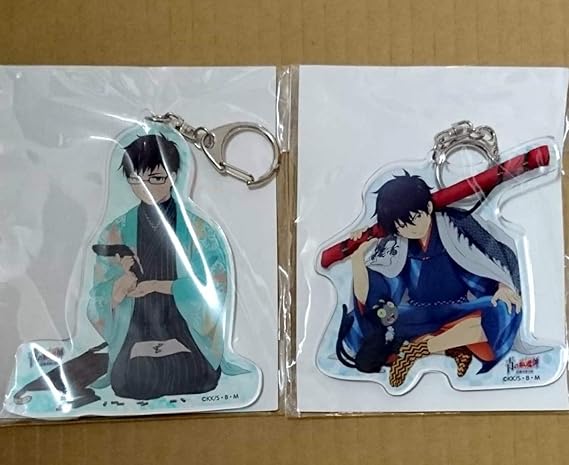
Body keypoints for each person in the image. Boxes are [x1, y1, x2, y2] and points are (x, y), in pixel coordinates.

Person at [86, 134, 244, 400]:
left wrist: (160, 286)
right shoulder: (115, 232)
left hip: (185, 327)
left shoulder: (198, 231)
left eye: (156, 178)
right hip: (136, 327)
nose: (146, 187)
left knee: (196, 375)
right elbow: (98, 297)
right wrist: (117, 288)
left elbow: (214, 289)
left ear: (173, 176)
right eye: (136, 180)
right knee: (129, 381)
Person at [346, 172, 523, 387]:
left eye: (413, 219)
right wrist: (357, 257)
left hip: (460, 310)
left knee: (504, 307)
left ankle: (419, 349)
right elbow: (370, 298)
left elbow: (493, 254)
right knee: (361, 325)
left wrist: (503, 285)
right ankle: (449, 347)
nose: (409, 229)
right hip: (417, 315)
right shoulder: (395, 244)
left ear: (429, 207)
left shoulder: (457, 223)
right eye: (401, 226)